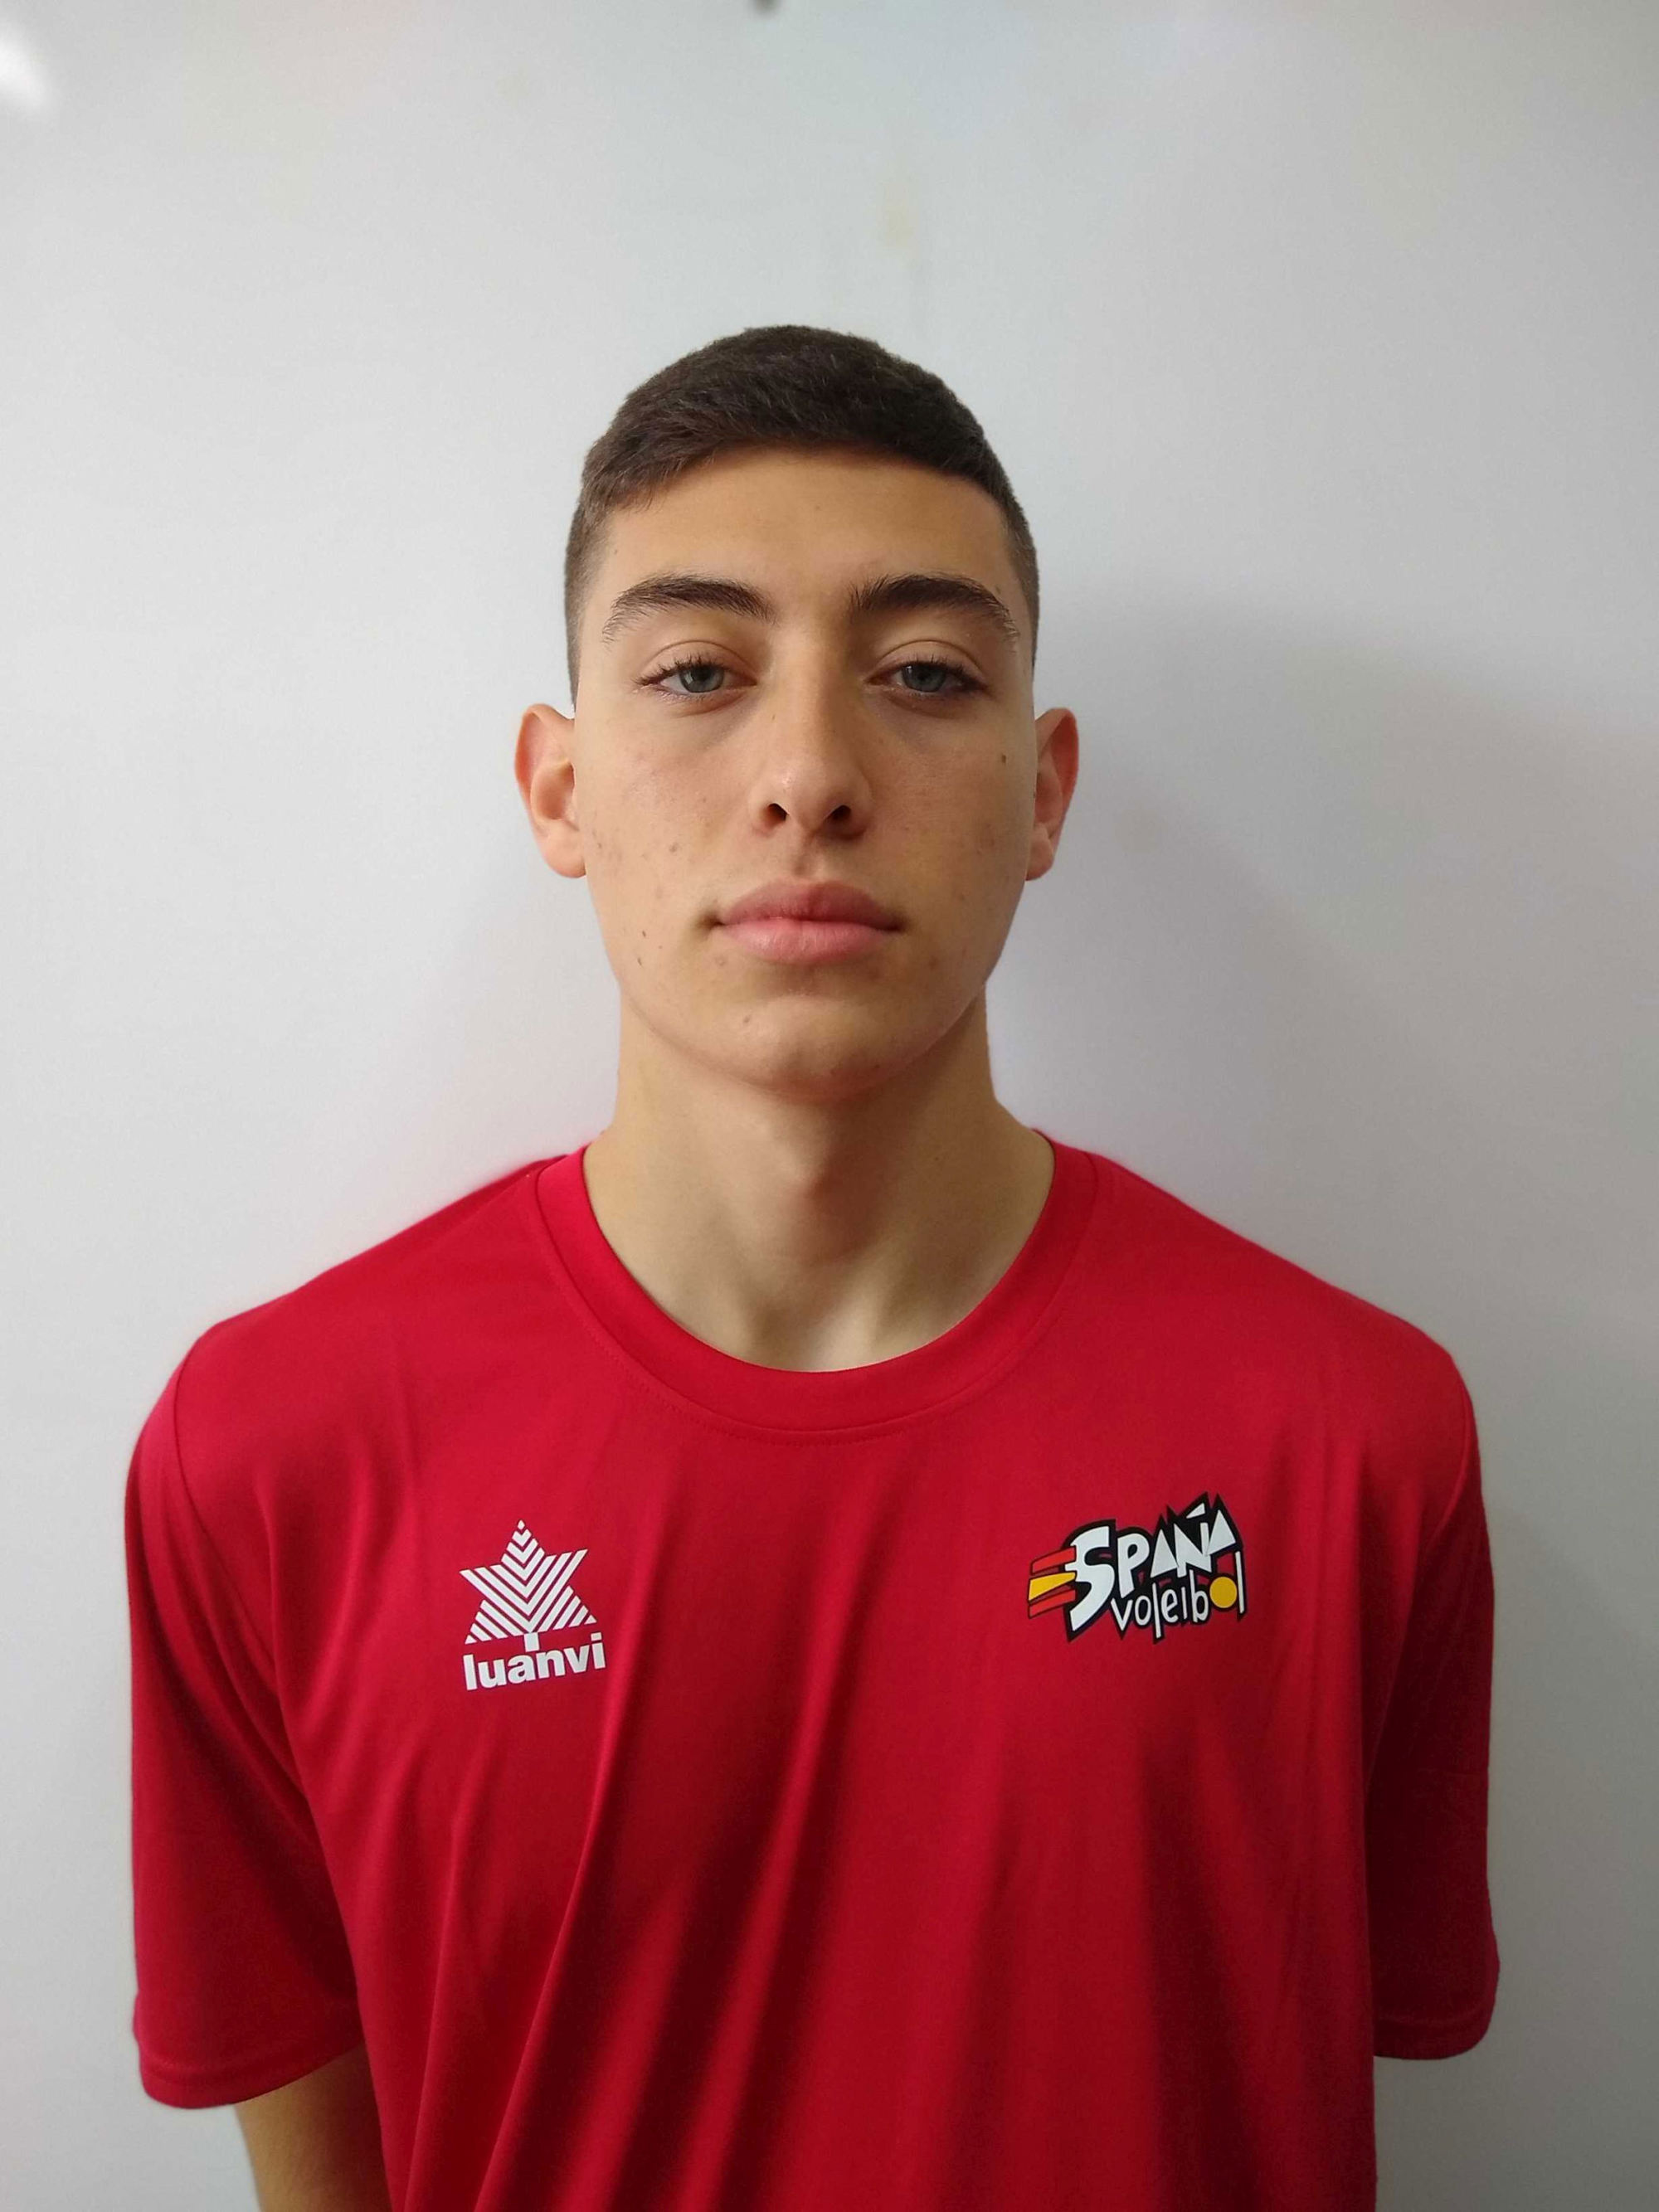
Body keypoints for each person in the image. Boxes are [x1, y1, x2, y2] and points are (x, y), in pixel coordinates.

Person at [124, 323, 1499, 2212]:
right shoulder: (270, 1457)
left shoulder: (1350, 1439)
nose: (808, 773)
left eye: (923, 674)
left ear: (1042, 790)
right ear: (558, 789)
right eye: (699, 671)